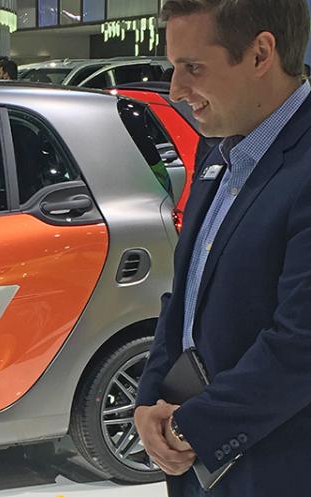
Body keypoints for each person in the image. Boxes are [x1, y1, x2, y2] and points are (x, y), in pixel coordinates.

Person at [133, 1, 311, 497]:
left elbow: (300, 345)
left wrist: (193, 428)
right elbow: (186, 294)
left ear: (260, 54)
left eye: (193, 68)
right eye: (174, 68)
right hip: (197, 462)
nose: (175, 91)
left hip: (280, 466)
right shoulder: (217, 148)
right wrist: (150, 401)